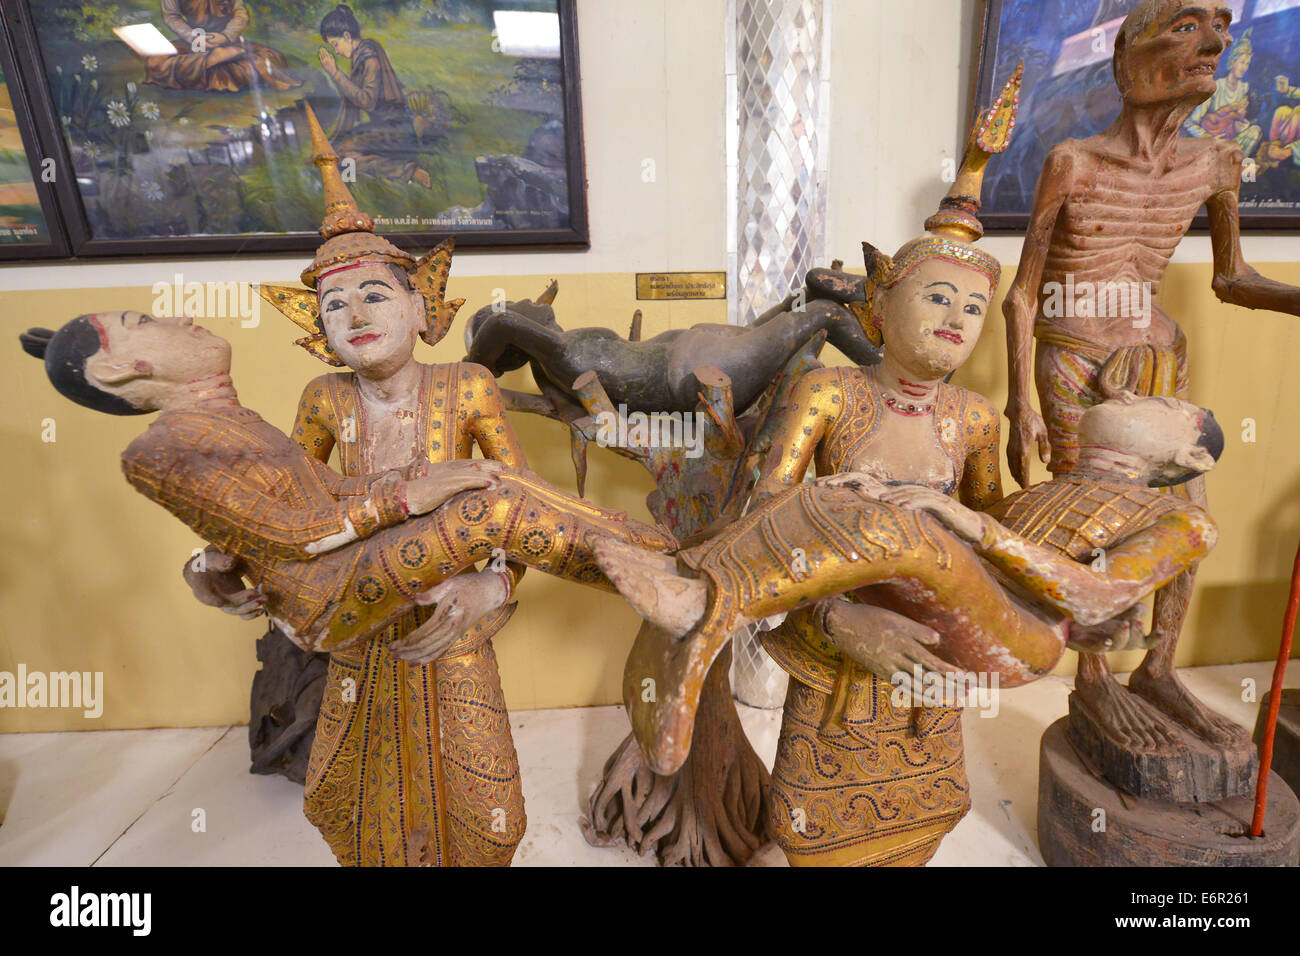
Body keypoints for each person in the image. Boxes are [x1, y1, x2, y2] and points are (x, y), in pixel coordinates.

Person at [18, 310, 675, 867]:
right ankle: (664, 571)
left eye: (376, 292)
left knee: (489, 814)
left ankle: (657, 561)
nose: (357, 313)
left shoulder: (467, 386)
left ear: (424, 307)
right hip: (349, 611)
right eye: (336, 301)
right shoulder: (310, 403)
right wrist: (209, 566)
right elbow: (282, 527)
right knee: (356, 808)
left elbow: (312, 499)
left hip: (446, 623)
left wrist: (494, 585)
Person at [1003, 0, 1300, 751]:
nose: (1215, 43)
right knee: (1093, 527)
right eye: (1189, 25)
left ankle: (1159, 667)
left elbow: (1231, 279)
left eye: (1223, 30)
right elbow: (1023, 292)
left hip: (1159, 361)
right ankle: (1094, 679)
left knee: (1189, 521)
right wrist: (1017, 403)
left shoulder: (1215, 162)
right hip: (1073, 356)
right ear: (1125, 61)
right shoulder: (1073, 162)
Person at [316, 4, 430, 188]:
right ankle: (353, 181)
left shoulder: (368, 57)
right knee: (336, 151)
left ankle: (408, 171)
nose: (336, 51)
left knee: (341, 153)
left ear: (346, 36)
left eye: (335, 44)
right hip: (385, 127)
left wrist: (335, 72)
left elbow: (366, 101)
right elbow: (355, 98)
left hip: (395, 131)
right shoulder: (362, 53)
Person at [145, 0, 300, 93]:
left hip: (226, 40)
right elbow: (171, 17)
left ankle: (221, 56)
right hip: (194, 41)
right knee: (155, 62)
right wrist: (193, 36)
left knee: (269, 57)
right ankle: (217, 57)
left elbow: (241, 14)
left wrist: (225, 36)